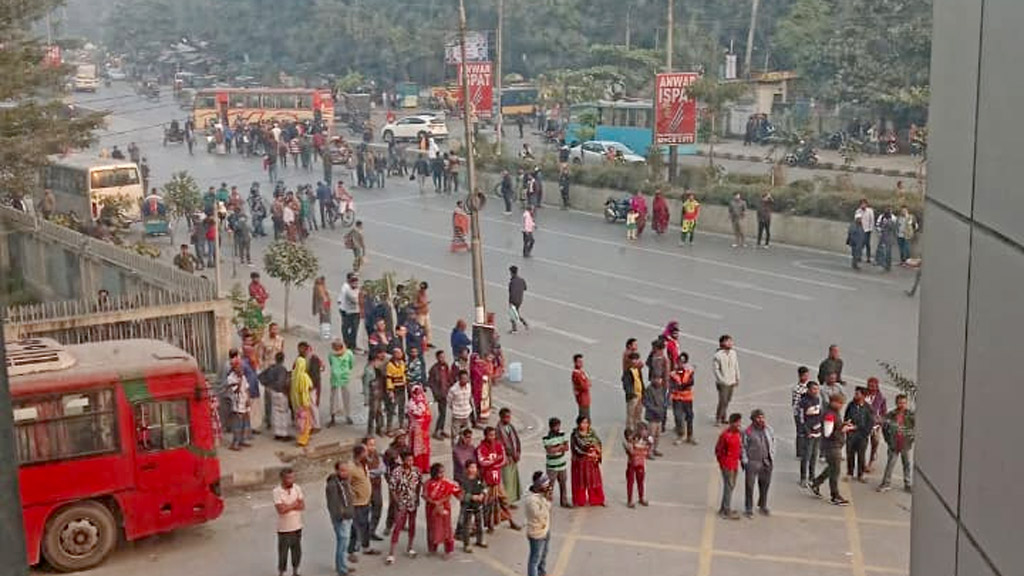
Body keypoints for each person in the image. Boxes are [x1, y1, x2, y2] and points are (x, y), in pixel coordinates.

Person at [810, 393, 855, 505]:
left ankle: (816, 482)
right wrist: (842, 429)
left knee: (832, 467)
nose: (841, 405)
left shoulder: (834, 413)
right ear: (833, 402)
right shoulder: (830, 415)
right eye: (840, 403)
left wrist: (842, 425)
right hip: (832, 446)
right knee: (835, 471)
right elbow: (827, 433)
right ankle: (834, 495)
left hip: (835, 445)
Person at [477, 426, 521, 531]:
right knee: (487, 502)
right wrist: (495, 462)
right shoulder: (481, 448)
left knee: (504, 500)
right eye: (490, 435)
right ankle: (487, 525)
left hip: (497, 479)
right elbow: (482, 462)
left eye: (494, 435)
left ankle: (510, 520)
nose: (493, 437)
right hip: (487, 480)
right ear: (485, 436)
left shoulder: (499, 445)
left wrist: (493, 464)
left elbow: (503, 460)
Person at [386, 451, 422, 565]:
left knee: (412, 525)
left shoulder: (416, 471)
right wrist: (396, 501)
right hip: (401, 502)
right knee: (398, 526)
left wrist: (417, 498)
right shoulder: (397, 472)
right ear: (403, 460)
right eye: (408, 460)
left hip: (412, 501)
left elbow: (419, 484)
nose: (410, 462)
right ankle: (391, 553)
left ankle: (410, 547)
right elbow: (392, 488)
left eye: (412, 460)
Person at [347, 444, 380, 561]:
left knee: (365, 525)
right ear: (360, 454)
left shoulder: (364, 464)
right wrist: (353, 495)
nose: (368, 454)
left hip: (366, 501)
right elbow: (346, 485)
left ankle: (366, 547)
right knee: (355, 528)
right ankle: (351, 552)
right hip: (356, 504)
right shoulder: (351, 468)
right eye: (366, 452)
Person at [741, 409, 775, 517]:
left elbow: (773, 442)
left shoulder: (768, 429)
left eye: (762, 417)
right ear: (753, 419)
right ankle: (748, 508)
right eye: (758, 418)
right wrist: (745, 461)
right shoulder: (747, 432)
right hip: (753, 462)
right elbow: (743, 447)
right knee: (750, 486)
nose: (761, 420)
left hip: (766, 461)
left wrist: (771, 456)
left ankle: (763, 505)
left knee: (765, 484)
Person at [423, 462, 461, 558]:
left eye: (443, 472)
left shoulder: (447, 482)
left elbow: (457, 491)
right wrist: (433, 502)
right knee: (432, 529)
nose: (442, 475)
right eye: (440, 472)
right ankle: (432, 549)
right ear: (434, 473)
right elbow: (424, 495)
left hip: (444, 508)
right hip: (432, 509)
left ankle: (448, 551)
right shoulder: (428, 483)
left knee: (446, 529)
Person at [878, 394, 914, 493]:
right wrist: (888, 440)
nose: (902, 405)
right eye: (900, 403)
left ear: (906, 403)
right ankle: (886, 483)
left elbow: (915, 428)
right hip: (894, 444)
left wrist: (911, 439)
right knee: (890, 464)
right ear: (896, 403)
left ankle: (907, 484)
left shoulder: (910, 415)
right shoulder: (891, 414)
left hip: (905, 444)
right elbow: (884, 427)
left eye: (904, 403)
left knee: (906, 464)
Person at [273, 468, 305, 576]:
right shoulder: (277, 491)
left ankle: (295, 572)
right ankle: (281, 573)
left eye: (292, 477)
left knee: (297, 552)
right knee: (283, 553)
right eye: (288, 478)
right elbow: (281, 510)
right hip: (284, 528)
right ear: (282, 478)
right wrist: (294, 504)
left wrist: (288, 506)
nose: (291, 480)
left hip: (297, 526)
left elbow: (302, 505)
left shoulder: (297, 488)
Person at [326, 461, 355, 576]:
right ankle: (341, 569)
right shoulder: (333, 485)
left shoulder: (344, 482)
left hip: (347, 516)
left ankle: (343, 565)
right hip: (341, 519)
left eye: (347, 470)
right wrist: (342, 516)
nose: (346, 472)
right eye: (343, 470)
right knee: (342, 544)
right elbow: (334, 505)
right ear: (337, 471)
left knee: (343, 544)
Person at [570, 416, 605, 507]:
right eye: (583, 423)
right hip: (580, 463)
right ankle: (580, 500)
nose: (585, 425)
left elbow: (598, 443)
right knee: (580, 482)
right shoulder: (575, 435)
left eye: (586, 423)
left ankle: (597, 499)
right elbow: (575, 449)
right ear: (578, 424)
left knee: (594, 481)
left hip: (592, 462)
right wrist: (588, 454)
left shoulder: (592, 433)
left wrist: (596, 452)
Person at [715, 413, 743, 520]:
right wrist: (722, 463)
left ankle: (724, 507)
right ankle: (726, 510)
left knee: (731, 486)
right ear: (732, 423)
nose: (739, 424)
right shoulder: (725, 435)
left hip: (735, 463)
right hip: (727, 464)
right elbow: (719, 450)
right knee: (728, 486)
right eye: (737, 422)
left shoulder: (738, 434)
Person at [524, 472, 552, 576]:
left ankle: (541, 572)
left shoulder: (541, 494)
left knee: (544, 553)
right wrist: (547, 501)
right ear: (538, 486)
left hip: (545, 528)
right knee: (535, 558)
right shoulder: (531, 500)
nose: (548, 487)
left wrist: (546, 498)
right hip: (536, 532)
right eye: (545, 485)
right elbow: (539, 515)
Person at [844, 386, 875, 482]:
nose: (855, 395)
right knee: (850, 454)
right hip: (851, 435)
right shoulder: (851, 405)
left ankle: (860, 474)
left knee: (861, 455)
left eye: (857, 394)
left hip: (862, 436)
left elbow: (870, 423)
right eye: (855, 393)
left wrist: (863, 431)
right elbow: (846, 417)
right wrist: (848, 425)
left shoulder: (868, 408)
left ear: (863, 396)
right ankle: (850, 473)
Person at [798, 381, 824, 487]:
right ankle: (803, 478)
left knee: (814, 456)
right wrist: (807, 431)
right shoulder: (803, 402)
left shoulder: (817, 399)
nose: (816, 391)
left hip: (817, 432)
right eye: (814, 389)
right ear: (808, 390)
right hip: (808, 433)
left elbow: (819, 414)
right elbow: (801, 419)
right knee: (806, 456)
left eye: (817, 389)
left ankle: (812, 477)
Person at [261, 352, 292, 440]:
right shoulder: (282, 369)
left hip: (272, 392)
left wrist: (268, 385)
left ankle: (277, 433)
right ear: (283, 359)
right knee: (283, 413)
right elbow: (281, 382)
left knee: (276, 412)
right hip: (280, 392)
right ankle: (284, 433)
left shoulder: (271, 367)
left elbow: (260, 376)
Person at [542, 417, 571, 508]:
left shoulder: (563, 434)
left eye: (558, 426)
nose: (558, 428)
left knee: (563, 483)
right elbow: (550, 450)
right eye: (556, 426)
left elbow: (566, 448)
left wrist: (556, 447)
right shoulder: (546, 438)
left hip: (562, 464)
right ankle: (547, 502)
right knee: (550, 485)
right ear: (551, 427)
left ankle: (564, 501)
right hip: (552, 466)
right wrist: (560, 447)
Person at [458, 461, 487, 552]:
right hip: (467, 506)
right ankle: (466, 544)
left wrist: (482, 495)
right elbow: (461, 494)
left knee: (479, 523)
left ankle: (480, 540)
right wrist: (472, 497)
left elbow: (484, 488)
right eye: (471, 467)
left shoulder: (479, 478)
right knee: (467, 525)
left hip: (478, 505)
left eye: (475, 467)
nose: (473, 470)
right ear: (466, 469)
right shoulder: (463, 480)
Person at [713, 335, 741, 426]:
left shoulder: (733, 353)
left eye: (731, 341)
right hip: (723, 382)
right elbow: (716, 370)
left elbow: (736, 366)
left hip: (732, 380)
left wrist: (737, 377)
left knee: (728, 400)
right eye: (728, 341)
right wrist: (721, 380)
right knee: (723, 400)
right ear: (722, 343)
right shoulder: (718, 355)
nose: (730, 343)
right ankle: (718, 418)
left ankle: (723, 417)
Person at [497, 408, 522, 505]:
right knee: (506, 481)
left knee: (512, 480)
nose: (508, 419)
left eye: (509, 417)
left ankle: (511, 501)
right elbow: (501, 445)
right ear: (501, 417)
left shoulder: (511, 427)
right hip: (506, 459)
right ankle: (505, 502)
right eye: (506, 417)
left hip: (513, 458)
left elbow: (517, 440)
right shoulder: (498, 430)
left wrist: (518, 452)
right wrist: (512, 454)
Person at [669, 354, 697, 445]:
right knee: (678, 417)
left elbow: (691, 382)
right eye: (680, 362)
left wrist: (681, 386)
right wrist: (681, 387)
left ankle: (690, 436)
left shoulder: (689, 372)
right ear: (677, 362)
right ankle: (680, 435)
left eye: (683, 362)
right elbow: (672, 385)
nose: (681, 364)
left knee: (689, 417)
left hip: (687, 398)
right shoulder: (673, 374)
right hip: (677, 398)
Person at [291, 345, 315, 447]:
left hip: (297, 403)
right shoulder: (305, 377)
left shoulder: (294, 376)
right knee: (306, 422)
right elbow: (310, 387)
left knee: (300, 421)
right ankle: (303, 440)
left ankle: (301, 437)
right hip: (305, 402)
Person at [623, 425, 651, 508]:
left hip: (640, 464)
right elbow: (631, 452)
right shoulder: (630, 443)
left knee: (640, 482)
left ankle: (641, 498)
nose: (645, 432)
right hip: (632, 464)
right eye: (643, 430)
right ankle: (630, 500)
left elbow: (647, 451)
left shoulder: (643, 441)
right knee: (630, 483)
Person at [407, 385, 432, 474]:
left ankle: (426, 466)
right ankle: (419, 467)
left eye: (420, 392)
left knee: (425, 449)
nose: (419, 394)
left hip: (424, 430)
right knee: (417, 449)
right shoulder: (411, 403)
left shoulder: (423, 401)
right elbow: (418, 414)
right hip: (416, 429)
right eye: (416, 392)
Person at [329, 340, 354, 427]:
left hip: (345, 378)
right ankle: (333, 416)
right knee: (333, 399)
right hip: (335, 379)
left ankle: (348, 415)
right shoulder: (331, 354)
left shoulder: (349, 353)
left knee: (346, 397)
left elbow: (351, 364)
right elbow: (331, 363)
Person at [642, 368, 667, 458]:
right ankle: (649, 451)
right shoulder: (649, 389)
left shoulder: (661, 388)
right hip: (652, 417)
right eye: (656, 378)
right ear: (652, 379)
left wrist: (664, 406)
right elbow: (645, 402)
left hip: (659, 416)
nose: (658, 380)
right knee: (651, 436)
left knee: (657, 435)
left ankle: (655, 449)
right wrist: (654, 409)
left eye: (659, 378)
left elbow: (664, 400)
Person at [865, 377, 889, 473]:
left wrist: (880, 421)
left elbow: (884, 412)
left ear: (877, 386)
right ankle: (863, 463)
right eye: (869, 385)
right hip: (863, 423)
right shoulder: (864, 394)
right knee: (862, 444)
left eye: (873, 386)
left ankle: (871, 460)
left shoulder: (881, 398)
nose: (871, 388)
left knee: (875, 442)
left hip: (875, 425)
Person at [385, 348, 408, 432]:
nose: (400, 355)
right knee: (391, 409)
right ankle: (389, 428)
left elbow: (405, 374)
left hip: (402, 388)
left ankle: (401, 426)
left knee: (401, 408)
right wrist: (390, 390)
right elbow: (389, 378)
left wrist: (406, 382)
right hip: (394, 389)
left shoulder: (402, 363)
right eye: (398, 353)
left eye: (400, 353)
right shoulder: (390, 365)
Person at [338, 273, 362, 352]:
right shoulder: (348, 290)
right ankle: (347, 344)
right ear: (350, 282)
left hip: (356, 312)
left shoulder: (357, 289)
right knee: (346, 328)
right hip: (349, 312)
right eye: (353, 282)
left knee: (354, 329)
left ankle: (352, 344)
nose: (355, 283)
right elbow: (356, 300)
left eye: (356, 282)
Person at [791, 366, 812, 459]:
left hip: (809, 413)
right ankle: (799, 452)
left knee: (808, 431)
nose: (807, 377)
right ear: (800, 376)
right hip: (799, 413)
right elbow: (796, 403)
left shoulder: (809, 386)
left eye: (807, 375)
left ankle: (807, 450)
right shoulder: (797, 388)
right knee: (800, 432)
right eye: (805, 375)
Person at [448, 369, 474, 437]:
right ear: (459, 379)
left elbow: (470, 398)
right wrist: (455, 409)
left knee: (468, 435)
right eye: (463, 379)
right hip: (457, 416)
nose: (465, 380)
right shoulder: (453, 389)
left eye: (466, 378)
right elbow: (449, 402)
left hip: (467, 415)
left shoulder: (469, 386)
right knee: (455, 436)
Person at [622, 352, 644, 430]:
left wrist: (643, 393)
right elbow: (626, 385)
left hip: (640, 396)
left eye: (637, 360)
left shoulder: (638, 370)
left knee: (638, 415)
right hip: (633, 397)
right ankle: (629, 432)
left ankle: (637, 430)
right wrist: (632, 394)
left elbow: (641, 382)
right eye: (634, 360)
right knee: (631, 416)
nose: (636, 362)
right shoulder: (628, 372)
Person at [508, 266, 529, 333]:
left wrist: (510, 302)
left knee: (512, 315)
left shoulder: (512, 282)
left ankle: (515, 329)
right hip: (520, 300)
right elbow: (525, 288)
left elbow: (511, 292)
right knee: (516, 313)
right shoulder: (522, 280)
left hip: (513, 300)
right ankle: (524, 323)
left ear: (511, 273)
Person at [571, 354, 591, 422]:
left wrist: (587, 383)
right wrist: (587, 384)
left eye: (581, 361)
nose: (581, 363)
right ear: (575, 362)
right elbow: (584, 386)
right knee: (585, 419)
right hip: (582, 399)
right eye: (579, 362)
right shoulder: (576, 374)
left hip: (586, 399)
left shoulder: (581, 372)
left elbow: (588, 383)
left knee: (586, 417)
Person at [855, 199, 876, 263]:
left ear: (866, 204)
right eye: (862, 204)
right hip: (860, 229)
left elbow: (872, 220)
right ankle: (859, 256)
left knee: (867, 244)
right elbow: (856, 220)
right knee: (860, 244)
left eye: (864, 204)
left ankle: (868, 257)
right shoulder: (858, 211)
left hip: (867, 230)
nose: (863, 205)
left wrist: (871, 229)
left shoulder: (870, 211)